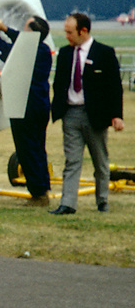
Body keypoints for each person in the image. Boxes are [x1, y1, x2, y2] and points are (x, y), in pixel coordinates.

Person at [48, 12, 125, 214]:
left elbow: (114, 87)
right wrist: (58, 110)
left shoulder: (104, 53)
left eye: (69, 32)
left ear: (83, 31)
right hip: (71, 114)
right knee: (72, 160)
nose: (66, 36)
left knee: (100, 161)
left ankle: (102, 201)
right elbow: (59, 84)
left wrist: (116, 115)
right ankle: (68, 203)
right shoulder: (65, 54)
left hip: (95, 116)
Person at [0, 11, 53, 204]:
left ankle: (38, 193)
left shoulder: (25, 51)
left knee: (26, 150)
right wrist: (4, 28)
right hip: (41, 106)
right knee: (38, 148)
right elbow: (22, 40)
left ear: (31, 34)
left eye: (25, 27)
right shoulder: (43, 49)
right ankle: (43, 188)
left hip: (25, 106)